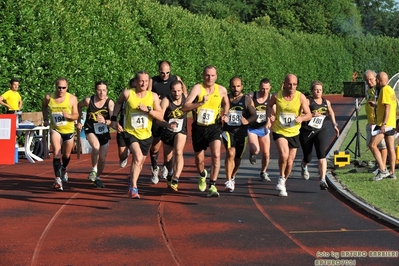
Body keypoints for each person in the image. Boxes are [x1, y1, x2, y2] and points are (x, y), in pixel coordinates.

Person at [111, 71, 163, 199]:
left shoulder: (153, 96)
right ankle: (133, 188)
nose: (143, 83)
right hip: (130, 132)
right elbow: (118, 103)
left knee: (139, 164)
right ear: (135, 81)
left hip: (146, 135)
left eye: (146, 81)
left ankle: (131, 179)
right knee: (138, 157)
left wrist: (148, 110)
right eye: (141, 81)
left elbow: (160, 115)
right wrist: (113, 119)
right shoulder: (128, 94)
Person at [182, 65, 230, 197]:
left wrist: (225, 113)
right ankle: (202, 174)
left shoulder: (221, 90)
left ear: (216, 76)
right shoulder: (198, 88)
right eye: (207, 75)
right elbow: (185, 107)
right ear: (203, 76)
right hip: (198, 128)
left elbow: (226, 103)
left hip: (214, 127)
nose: (210, 78)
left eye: (212, 75)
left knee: (216, 155)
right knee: (199, 160)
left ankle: (213, 185)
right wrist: (199, 103)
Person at [266, 74, 312, 197]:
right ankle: (281, 177)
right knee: (284, 155)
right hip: (279, 130)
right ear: (284, 84)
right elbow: (269, 106)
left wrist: (301, 118)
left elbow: (309, 114)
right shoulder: (277, 95)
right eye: (290, 84)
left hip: (294, 132)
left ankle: (283, 183)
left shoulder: (300, 97)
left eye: (295, 84)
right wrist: (269, 117)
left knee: (290, 162)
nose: (292, 86)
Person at [149, 61, 187, 184]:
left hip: (173, 118)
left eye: (167, 73)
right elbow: (148, 96)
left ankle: (167, 169)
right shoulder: (152, 81)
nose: (165, 75)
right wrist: (155, 102)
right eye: (162, 73)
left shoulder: (176, 79)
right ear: (158, 70)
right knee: (155, 145)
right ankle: (155, 168)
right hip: (160, 116)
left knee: (172, 150)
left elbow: (185, 94)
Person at [299, 81, 340, 190]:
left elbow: (331, 112)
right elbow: (299, 114)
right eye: (316, 90)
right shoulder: (308, 101)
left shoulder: (326, 102)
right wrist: (311, 114)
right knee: (308, 157)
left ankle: (322, 179)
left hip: (320, 130)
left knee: (322, 156)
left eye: (320, 90)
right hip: (306, 131)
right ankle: (304, 165)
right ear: (312, 90)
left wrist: (334, 125)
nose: (318, 92)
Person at [42, 78, 79, 191]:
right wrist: (46, 118)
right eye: (59, 87)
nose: (61, 90)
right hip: (56, 129)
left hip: (68, 130)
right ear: (55, 87)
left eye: (64, 88)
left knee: (66, 155)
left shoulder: (72, 99)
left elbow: (76, 115)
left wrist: (68, 116)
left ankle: (63, 168)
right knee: (56, 153)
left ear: (67, 88)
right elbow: (44, 106)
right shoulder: (49, 97)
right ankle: (58, 179)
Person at [77, 81, 114, 188]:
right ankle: (93, 169)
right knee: (96, 146)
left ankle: (97, 177)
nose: (101, 93)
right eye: (99, 90)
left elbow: (112, 121)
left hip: (103, 131)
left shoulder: (110, 103)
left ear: (107, 91)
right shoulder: (89, 101)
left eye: (104, 90)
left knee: (102, 158)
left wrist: (105, 121)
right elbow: (79, 106)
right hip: (90, 129)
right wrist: (79, 121)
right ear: (95, 90)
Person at [223, 77, 257, 192]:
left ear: (242, 87)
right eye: (233, 86)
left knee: (237, 159)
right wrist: (222, 116)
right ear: (230, 86)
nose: (236, 89)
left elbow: (255, 115)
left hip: (241, 133)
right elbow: (218, 111)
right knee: (230, 152)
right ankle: (228, 180)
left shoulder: (246, 100)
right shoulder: (226, 98)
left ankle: (232, 177)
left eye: (238, 86)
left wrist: (247, 121)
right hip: (228, 131)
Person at [157, 80, 188, 191]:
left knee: (179, 151)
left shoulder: (186, 99)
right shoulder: (166, 101)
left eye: (179, 91)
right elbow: (158, 120)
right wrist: (167, 124)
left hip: (181, 131)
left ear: (182, 90)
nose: (177, 93)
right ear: (170, 91)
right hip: (168, 131)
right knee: (168, 159)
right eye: (174, 91)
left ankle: (176, 178)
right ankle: (170, 172)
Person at [369, 72, 397, 181]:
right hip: (391, 123)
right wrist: (375, 105)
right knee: (390, 148)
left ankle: (382, 170)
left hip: (383, 124)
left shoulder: (384, 90)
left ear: (379, 80)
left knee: (372, 145)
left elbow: (387, 108)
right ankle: (392, 173)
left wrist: (383, 124)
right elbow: (385, 105)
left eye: (376, 80)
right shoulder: (390, 89)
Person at [247, 78, 273, 182]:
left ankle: (263, 172)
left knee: (266, 153)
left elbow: (275, 110)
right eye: (262, 89)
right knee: (256, 150)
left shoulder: (271, 98)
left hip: (264, 128)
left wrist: (272, 118)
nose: (264, 91)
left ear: (270, 88)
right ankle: (252, 153)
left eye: (267, 89)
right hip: (252, 128)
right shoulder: (251, 96)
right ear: (259, 87)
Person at [364, 70, 387, 173]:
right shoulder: (369, 90)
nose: (369, 82)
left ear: (376, 78)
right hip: (371, 122)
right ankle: (379, 165)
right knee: (372, 145)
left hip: (379, 122)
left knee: (382, 146)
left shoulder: (381, 89)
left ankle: (382, 167)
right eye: (367, 80)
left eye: (371, 79)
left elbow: (385, 105)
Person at [116, 78, 135, 169]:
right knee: (122, 155)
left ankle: (133, 177)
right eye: (133, 87)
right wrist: (115, 122)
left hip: (136, 131)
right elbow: (115, 112)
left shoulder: (143, 99)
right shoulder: (123, 99)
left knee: (137, 155)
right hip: (123, 129)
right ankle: (125, 155)